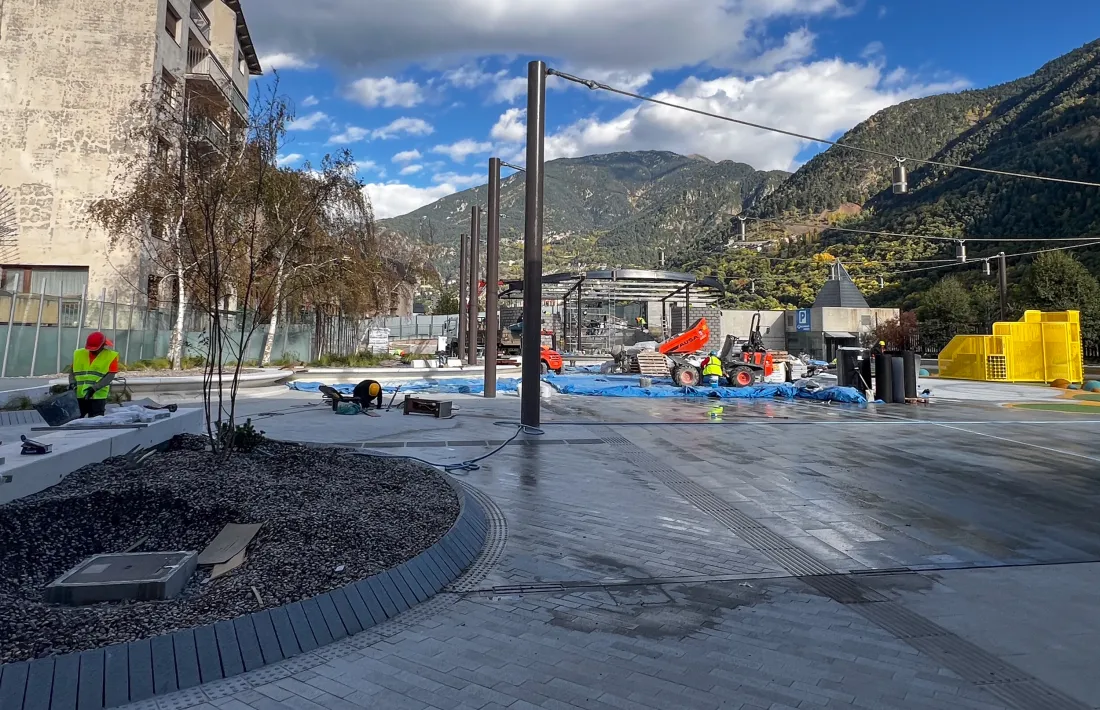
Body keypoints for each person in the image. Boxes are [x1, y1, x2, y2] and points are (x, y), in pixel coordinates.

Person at [69, 331, 119, 418]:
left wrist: (94, 389)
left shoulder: (111, 356)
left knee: (96, 423)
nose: (92, 351)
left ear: (103, 345)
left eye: (95, 349)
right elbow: (72, 372)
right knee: (75, 423)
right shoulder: (78, 354)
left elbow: (110, 377)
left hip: (98, 397)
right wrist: (72, 383)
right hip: (79, 395)